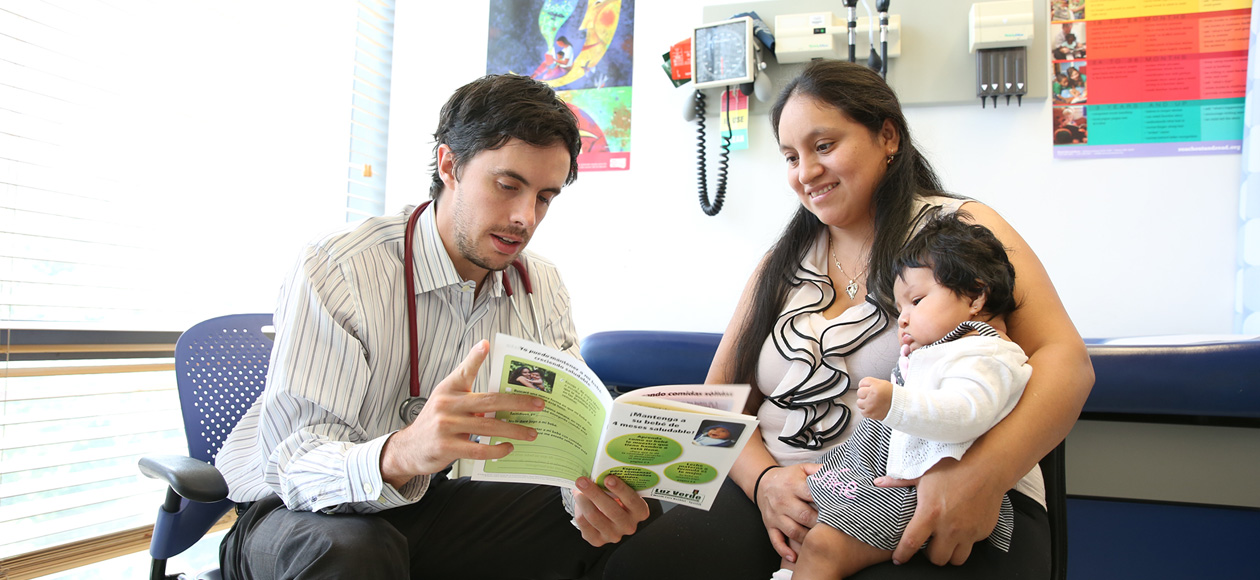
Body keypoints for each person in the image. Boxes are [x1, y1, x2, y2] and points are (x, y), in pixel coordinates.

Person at [605, 60, 1092, 579]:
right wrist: (765, 482)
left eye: (823, 146)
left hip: (927, 489)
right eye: (790, 156)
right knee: (640, 569)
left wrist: (981, 477)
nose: (805, 172)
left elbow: (1066, 362)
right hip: (789, 496)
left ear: (887, 137)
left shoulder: (959, 230)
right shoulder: (782, 262)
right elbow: (721, 398)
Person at [214, 73, 653, 580]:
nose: (524, 218)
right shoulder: (340, 267)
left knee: (619, 527)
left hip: (431, 504)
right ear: (450, 165)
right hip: (296, 514)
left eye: (544, 198)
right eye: (508, 185)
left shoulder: (542, 285)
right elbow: (296, 462)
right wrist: (403, 451)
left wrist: (587, 500)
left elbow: (567, 440)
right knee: (357, 550)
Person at [775, 213, 1033, 579]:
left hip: (917, 491)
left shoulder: (985, 354)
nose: (904, 320)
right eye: (900, 310)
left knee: (822, 545)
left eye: (917, 300)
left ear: (975, 296)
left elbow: (966, 413)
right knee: (802, 531)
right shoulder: (940, 349)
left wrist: (895, 402)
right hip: (877, 473)